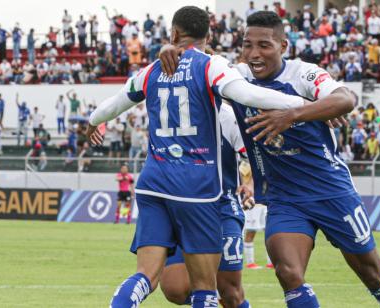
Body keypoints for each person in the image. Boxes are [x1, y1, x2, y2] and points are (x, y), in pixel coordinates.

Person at [159, 10, 380, 308]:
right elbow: (200, 59)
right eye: (248, 45)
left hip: (331, 191)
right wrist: (169, 49)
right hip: (284, 199)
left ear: (283, 47)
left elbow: (346, 99)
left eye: (264, 45)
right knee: (288, 273)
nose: (254, 53)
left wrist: (293, 114)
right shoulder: (236, 77)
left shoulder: (302, 73)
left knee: (372, 274)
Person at [87, 6, 305, 307]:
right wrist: (307, 106)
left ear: (174, 34)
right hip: (197, 189)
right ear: (209, 35)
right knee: (203, 289)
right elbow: (248, 94)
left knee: (145, 277)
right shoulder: (209, 66)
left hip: (153, 184)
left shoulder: (150, 70)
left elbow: (111, 105)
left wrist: (92, 122)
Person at [159, 103, 252, 307]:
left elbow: (251, 156)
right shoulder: (171, 109)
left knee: (231, 292)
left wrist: (249, 183)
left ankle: (212, 294)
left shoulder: (228, 115)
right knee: (175, 288)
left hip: (222, 208)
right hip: (182, 209)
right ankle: (208, 294)